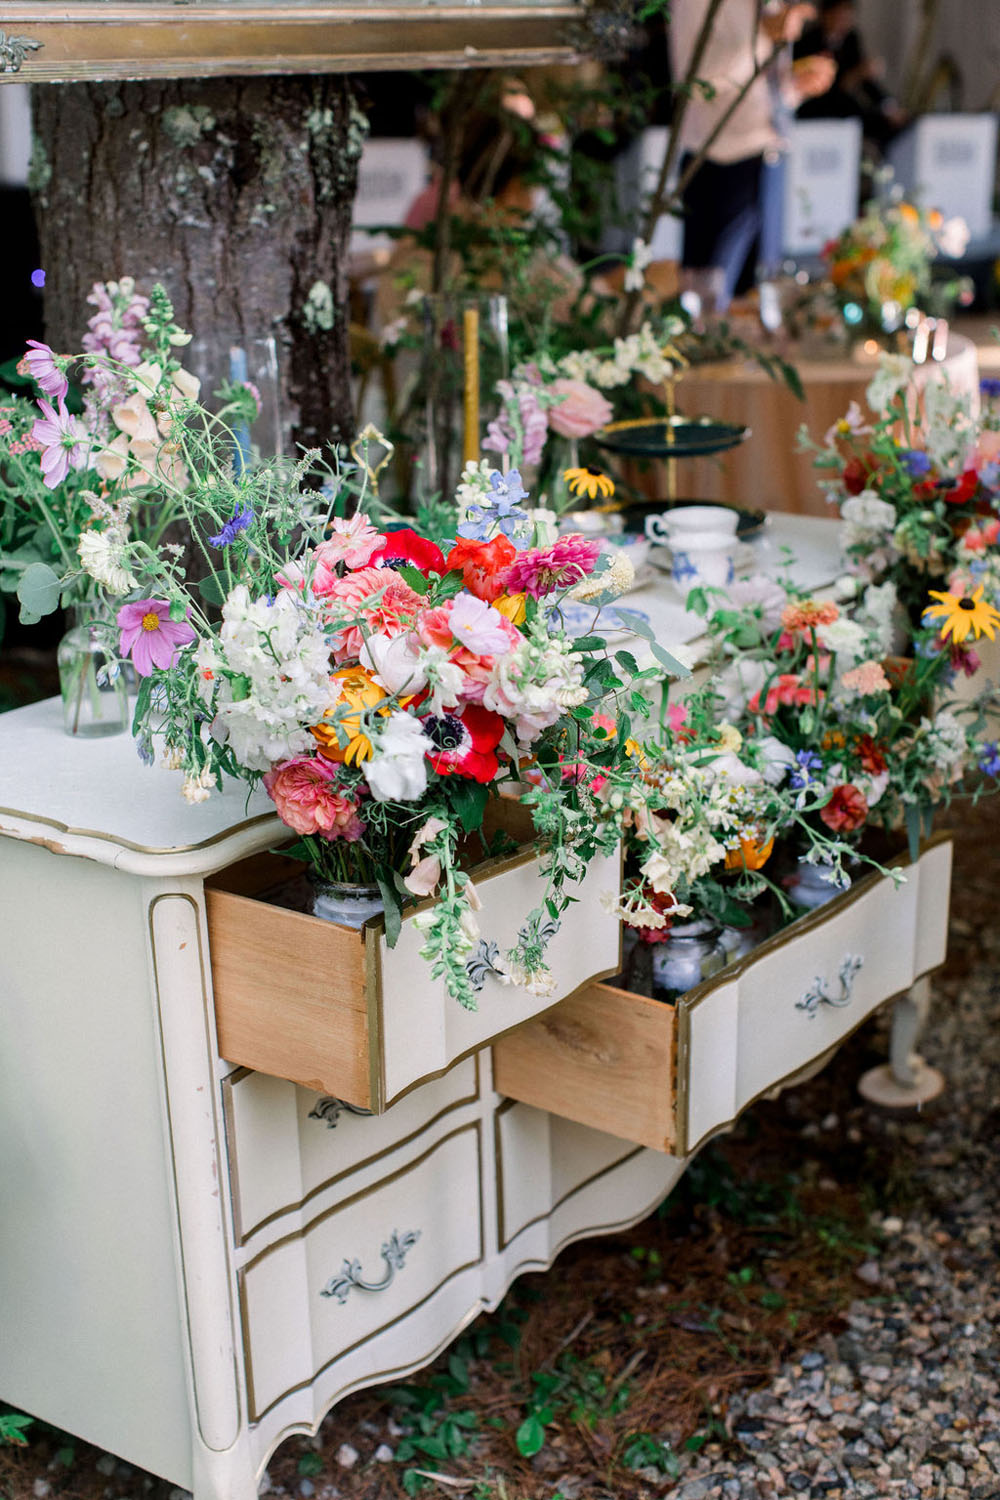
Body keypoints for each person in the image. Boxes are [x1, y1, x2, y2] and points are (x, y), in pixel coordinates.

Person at [669, 1, 836, 310]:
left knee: (759, 300)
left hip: (767, 153)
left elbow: (762, 90)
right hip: (717, 158)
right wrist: (761, 34)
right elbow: (694, 79)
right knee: (708, 304)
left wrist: (796, 88)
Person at [794, 0, 908, 151]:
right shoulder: (808, 41)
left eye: (848, 18)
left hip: (844, 105)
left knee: (885, 122)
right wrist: (851, 77)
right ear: (826, 15)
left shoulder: (850, 39)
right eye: (840, 17)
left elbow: (865, 78)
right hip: (816, 107)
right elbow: (812, 85)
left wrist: (888, 106)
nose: (844, 23)